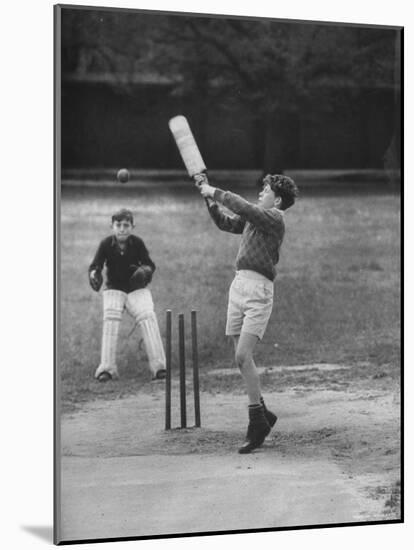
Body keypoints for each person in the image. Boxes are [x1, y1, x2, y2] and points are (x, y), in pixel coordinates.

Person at [195, 173, 298, 453]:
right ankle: (264, 413)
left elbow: (242, 207)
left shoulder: (274, 218)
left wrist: (213, 189)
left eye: (265, 190)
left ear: (276, 200)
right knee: (240, 360)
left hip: (259, 293)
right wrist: (209, 201)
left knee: (243, 355)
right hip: (238, 286)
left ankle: (256, 422)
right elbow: (226, 223)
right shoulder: (255, 218)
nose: (260, 193)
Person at [88, 208, 166, 382]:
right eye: (118, 225)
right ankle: (106, 369)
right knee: (110, 320)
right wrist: (94, 274)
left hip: (136, 289)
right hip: (114, 289)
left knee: (148, 317)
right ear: (112, 226)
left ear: (132, 226)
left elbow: (149, 264)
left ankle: (159, 368)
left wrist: (145, 271)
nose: (122, 229)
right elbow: (95, 265)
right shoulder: (106, 244)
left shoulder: (137, 243)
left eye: (126, 225)